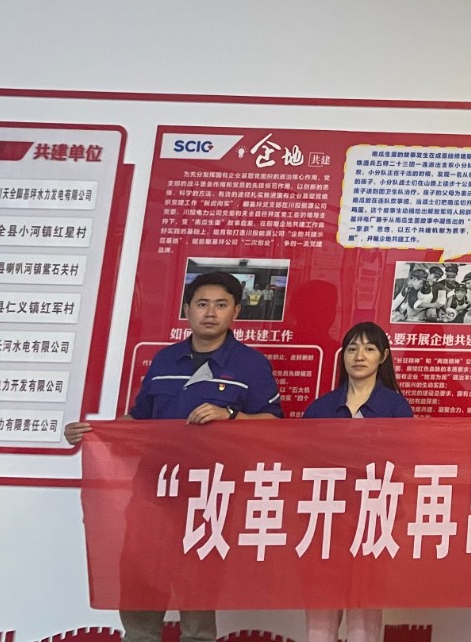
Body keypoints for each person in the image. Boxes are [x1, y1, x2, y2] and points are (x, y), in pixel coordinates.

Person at [64, 271, 282, 642]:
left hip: (209, 495)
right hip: (153, 491)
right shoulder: (165, 360)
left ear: (236, 312)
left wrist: (230, 415)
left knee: (197, 593)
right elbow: (140, 420)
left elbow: (274, 425)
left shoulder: (251, 365)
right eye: (202, 304)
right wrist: (95, 432)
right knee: (140, 584)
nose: (210, 312)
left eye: (221, 305)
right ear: (187, 309)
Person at [302, 322, 411, 642]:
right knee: (320, 614)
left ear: (383, 357)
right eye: (351, 349)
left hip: (372, 521)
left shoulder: (396, 408)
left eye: (369, 349)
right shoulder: (321, 408)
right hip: (324, 522)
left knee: (364, 615)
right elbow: (300, 463)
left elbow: (406, 465)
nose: (359, 356)